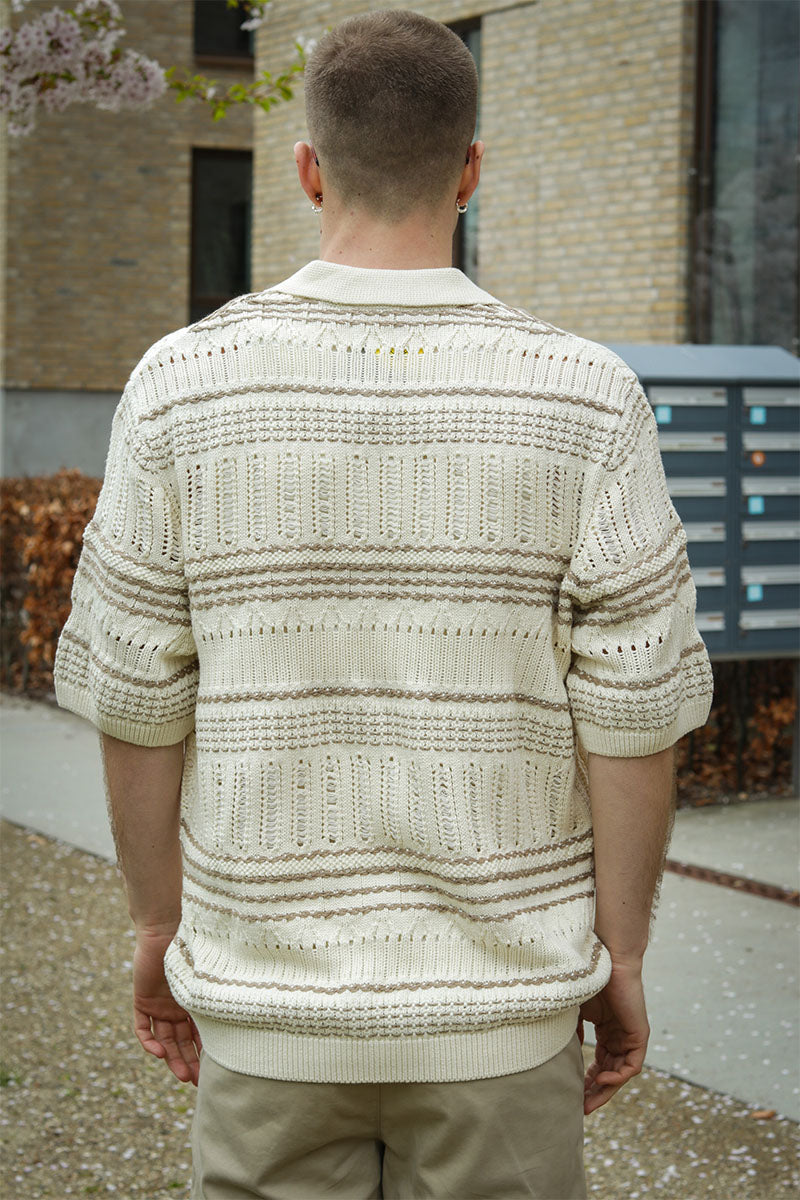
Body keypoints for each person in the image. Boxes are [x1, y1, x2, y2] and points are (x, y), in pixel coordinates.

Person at [52, 9, 714, 1198]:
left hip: (265, 1014)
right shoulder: (586, 398)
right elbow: (634, 715)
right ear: (470, 170)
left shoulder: (179, 387)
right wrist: (620, 952)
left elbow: (134, 696)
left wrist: (158, 929)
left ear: (307, 169)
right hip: (501, 1022)